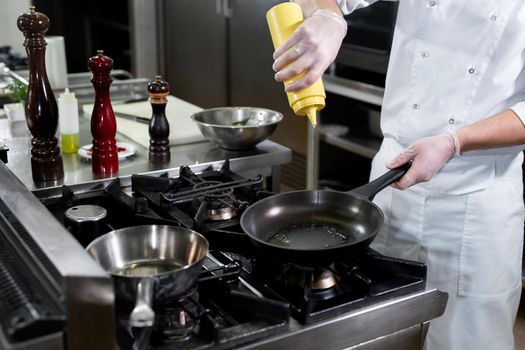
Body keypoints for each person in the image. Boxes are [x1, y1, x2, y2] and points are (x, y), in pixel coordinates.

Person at [272, 0, 525, 349]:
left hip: (476, 206)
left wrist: (455, 142)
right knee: (377, 334)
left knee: (467, 339)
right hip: (392, 188)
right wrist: (328, 16)